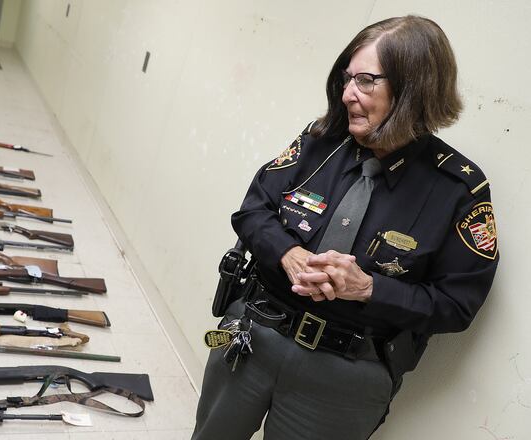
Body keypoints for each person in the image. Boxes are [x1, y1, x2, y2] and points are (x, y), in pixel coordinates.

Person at [192, 15, 499, 440]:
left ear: (414, 88)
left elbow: (457, 304)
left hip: (343, 378)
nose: (348, 93)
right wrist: (287, 252)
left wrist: (369, 288)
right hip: (250, 338)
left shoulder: (457, 190)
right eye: (347, 77)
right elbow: (252, 211)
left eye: (366, 80)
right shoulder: (322, 140)